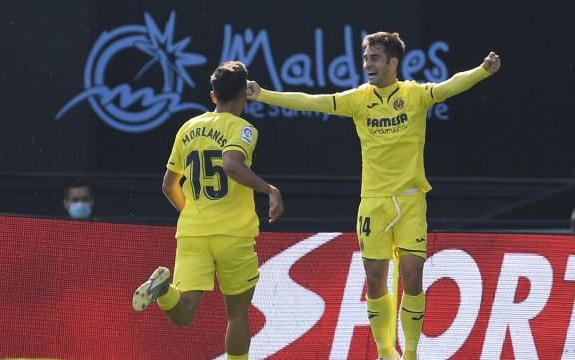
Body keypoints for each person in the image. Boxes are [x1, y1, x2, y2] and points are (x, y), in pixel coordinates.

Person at [246, 32, 501, 360]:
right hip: (373, 203)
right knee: (376, 279)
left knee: (412, 276)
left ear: (393, 62)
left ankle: (410, 353)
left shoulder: (414, 94)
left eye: (375, 58)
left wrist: (482, 70)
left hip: (410, 201)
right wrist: (264, 94)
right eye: (366, 58)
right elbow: (311, 101)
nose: (368, 64)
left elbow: (449, 86)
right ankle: (385, 352)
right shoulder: (358, 99)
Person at [132, 61, 284, 360]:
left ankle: (164, 291)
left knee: (184, 314)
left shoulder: (188, 128)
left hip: (193, 233)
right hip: (233, 236)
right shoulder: (244, 129)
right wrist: (270, 190)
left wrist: (193, 212)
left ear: (213, 96)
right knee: (238, 315)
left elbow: (168, 184)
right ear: (244, 95)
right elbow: (231, 165)